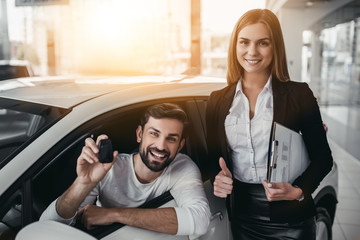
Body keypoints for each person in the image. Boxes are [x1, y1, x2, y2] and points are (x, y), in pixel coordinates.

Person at [206, 9, 333, 239]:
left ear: (275, 47)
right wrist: (218, 177)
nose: (252, 51)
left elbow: (323, 157)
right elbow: (212, 158)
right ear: (235, 45)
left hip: (291, 218)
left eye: (262, 43)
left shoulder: (298, 94)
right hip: (242, 216)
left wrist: (299, 191)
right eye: (244, 42)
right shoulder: (217, 100)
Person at [41, 103, 210, 236]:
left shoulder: (182, 167)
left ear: (180, 145)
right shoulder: (110, 169)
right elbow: (48, 227)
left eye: (171, 139)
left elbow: (200, 221)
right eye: (154, 134)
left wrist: (112, 215)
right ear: (139, 134)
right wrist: (83, 183)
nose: (161, 146)